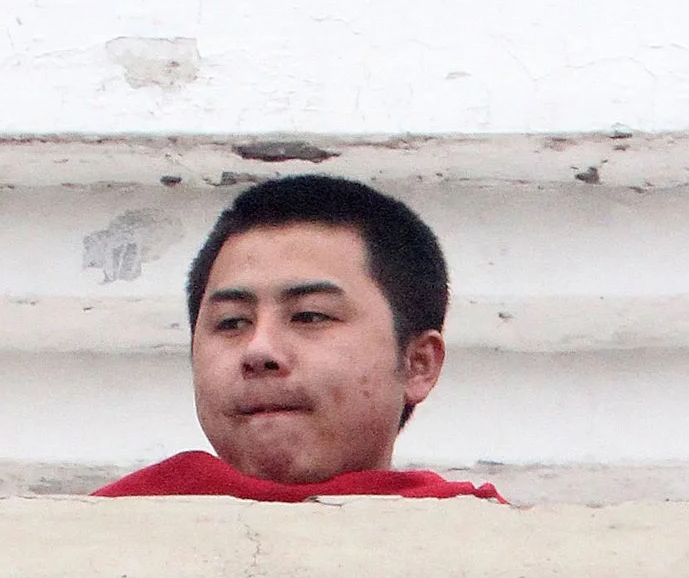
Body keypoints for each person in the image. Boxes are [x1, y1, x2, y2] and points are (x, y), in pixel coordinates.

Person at [99, 173, 500, 502]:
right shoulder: (104, 537)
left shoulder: (484, 548)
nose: (259, 350)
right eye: (232, 323)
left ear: (417, 365)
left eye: (309, 316)